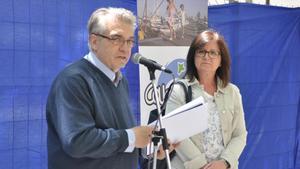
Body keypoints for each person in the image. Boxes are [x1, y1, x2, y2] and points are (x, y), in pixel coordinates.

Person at [46, 7, 154, 169]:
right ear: (94, 42)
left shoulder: (120, 80)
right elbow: (78, 141)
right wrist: (131, 137)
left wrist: (147, 150)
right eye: (116, 39)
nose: (125, 48)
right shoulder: (73, 80)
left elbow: (118, 138)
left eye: (130, 41)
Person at [165, 29, 247, 169]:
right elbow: (175, 134)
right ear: (193, 57)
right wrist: (202, 165)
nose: (206, 57)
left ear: (221, 60)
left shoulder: (232, 92)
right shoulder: (178, 90)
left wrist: (225, 162)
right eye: (201, 51)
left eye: (213, 52)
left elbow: (240, 134)